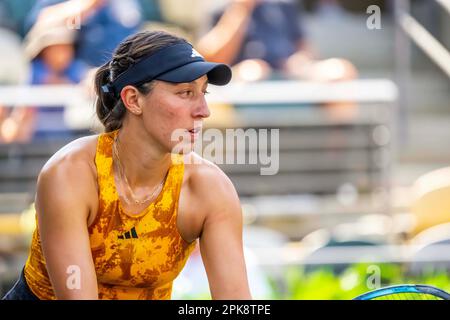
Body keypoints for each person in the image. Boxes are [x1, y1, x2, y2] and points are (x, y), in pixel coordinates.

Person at [1, 30, 252, 300]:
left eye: (203, 92)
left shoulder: (211, 189)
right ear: (133, 99)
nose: (204, 110)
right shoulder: (70, 173)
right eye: (185, 93)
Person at [198, 0, 357, 82]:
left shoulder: (285, 4)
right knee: (253, 73)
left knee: (340, 71)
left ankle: (337, 144)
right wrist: (241, 8)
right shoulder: (219, 5)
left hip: (288, 76)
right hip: (244, 78)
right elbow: (210, 60)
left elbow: (306, 50)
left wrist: (300, 61)